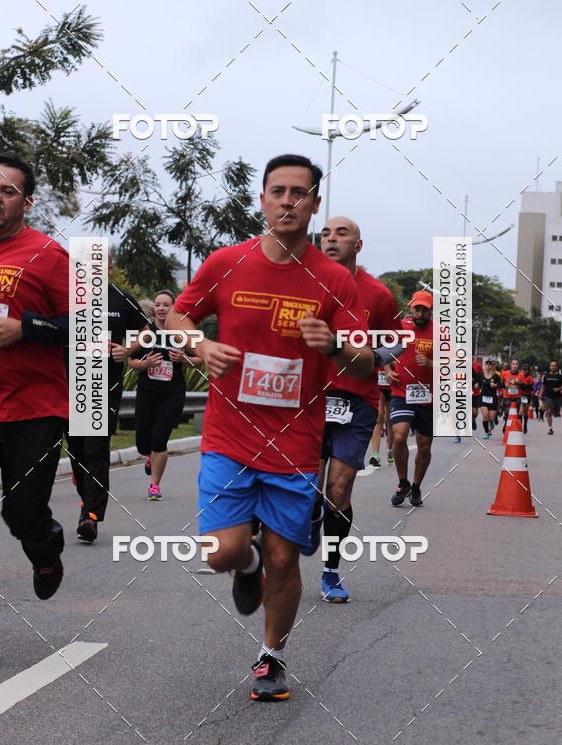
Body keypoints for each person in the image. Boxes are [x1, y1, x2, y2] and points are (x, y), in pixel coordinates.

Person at [167, 154, 374, 701]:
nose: (287, 201)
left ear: (314, 204)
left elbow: (364, 364)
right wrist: (200, 345)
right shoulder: (226, 262)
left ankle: (271, 657)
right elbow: (178, 316)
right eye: (278, 191)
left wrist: (336, 346)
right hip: (229, 436)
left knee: (286, 558)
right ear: (262, 199)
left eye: (298, 193)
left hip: (295, 445)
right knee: (220, 554)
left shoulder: (335, 280)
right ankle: (247, 561)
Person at [0, 153, 68, 667]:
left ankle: (44, 545)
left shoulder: (49, 255)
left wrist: (26, 328)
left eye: (8, 191)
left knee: (20, 510)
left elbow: (86, 324)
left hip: (34, 409)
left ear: (26, 202)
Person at [312, 216, 400, 603]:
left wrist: (376, 359)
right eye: (325, 234)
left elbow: (398, 339)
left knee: (338, 489)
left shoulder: (377, 294)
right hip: (309, 399)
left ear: (358, 246)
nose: (331, 239)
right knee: (306, 490)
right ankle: (307, 520)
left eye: (341, 233)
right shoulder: (305, 285)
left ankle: (331, 571)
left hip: (357, 401)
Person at [66, 253, 145, 541]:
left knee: (96, 448)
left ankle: (91, 516)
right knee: (77, 450)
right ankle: (86, 502)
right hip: (73, 383)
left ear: (109, 267)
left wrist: (128, 349)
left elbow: (147, 331)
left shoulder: (122, 299)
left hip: (105, 385)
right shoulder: (69, 297)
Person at [129, 290, 201, 500]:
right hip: (147, 393)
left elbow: (199, 360)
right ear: (155, 308)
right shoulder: (144, 331)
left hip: (172, 394)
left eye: (166, 305)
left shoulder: (182, 333)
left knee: (159, 440)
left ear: (173, 308)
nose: (161, 308)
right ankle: (149, 456)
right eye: (158, 304)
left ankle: (154, 486)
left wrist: (184, 360)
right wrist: (146, 364)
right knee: (143, 443)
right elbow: (131, 361)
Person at [388, 290, 434, 507]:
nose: (420, 313)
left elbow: (455, 363)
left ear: (430, 311)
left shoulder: (441, 332)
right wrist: (387, 370)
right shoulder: (399, 328)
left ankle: (416, 486)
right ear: (411, 309)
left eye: (425, 310)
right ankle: (402, 482)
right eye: (417, 309)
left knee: (424, 446)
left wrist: (432, 363)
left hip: (429, 396)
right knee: (399, 437)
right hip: (401, 392)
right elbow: (384, 351)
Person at [368, 375, 394, 467]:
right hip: (378, 384)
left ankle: (390, 449)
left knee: (390, 420)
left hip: (393, 386)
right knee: (378, 418)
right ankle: (375, 454)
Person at [477, 360, 502, 438]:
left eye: (489, 365)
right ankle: (486, 432)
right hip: (483, 398)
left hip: (493, 398)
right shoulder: (481, 375)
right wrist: (476, 385)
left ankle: (492, 422)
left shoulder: (496, 376)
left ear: (492, 366)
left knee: (492, 417)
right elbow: (477, 383)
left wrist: (495, 385)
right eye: (486, 364)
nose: (488, 366)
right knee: (485, 416)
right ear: (484, 365)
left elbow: (502, 384)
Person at [539, 361, 562, 434]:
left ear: (556, 367)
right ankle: (550, 428)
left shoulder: (560, 376)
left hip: (557, 397)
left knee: (556, 413)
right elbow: (543, 385)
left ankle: (555, 412)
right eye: (551, 365)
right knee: (548, 412)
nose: (553, 367)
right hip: (547, 396)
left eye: (554, 366)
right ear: (550, 367)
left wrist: (558, 389)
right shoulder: (546, 376)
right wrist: (540, 393)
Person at [499, 360, 525, 430]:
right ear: (511, 365)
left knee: (516, 413)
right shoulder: (505, 373)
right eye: (513, 364)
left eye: (516, 364)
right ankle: (506, 424)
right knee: (507, 413)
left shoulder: (521, 375)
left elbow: (524, 387)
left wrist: (519, 383)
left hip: (517, 397)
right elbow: (500, 384)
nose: (515, 365)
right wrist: (505, 385)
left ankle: (514, 428)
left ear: (518, 366)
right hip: (507, 396)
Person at [519, 364, 534, 434]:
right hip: (521, 395)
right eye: (523, 369)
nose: (524, 371)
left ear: (528, 371)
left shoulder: (530, 378)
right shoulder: (520, 377)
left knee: (525, 412)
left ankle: (525, 425)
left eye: (525, 370)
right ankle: (520, 426)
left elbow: (530, 388)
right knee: (520, 412)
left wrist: (522, 385)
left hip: (527, 396)